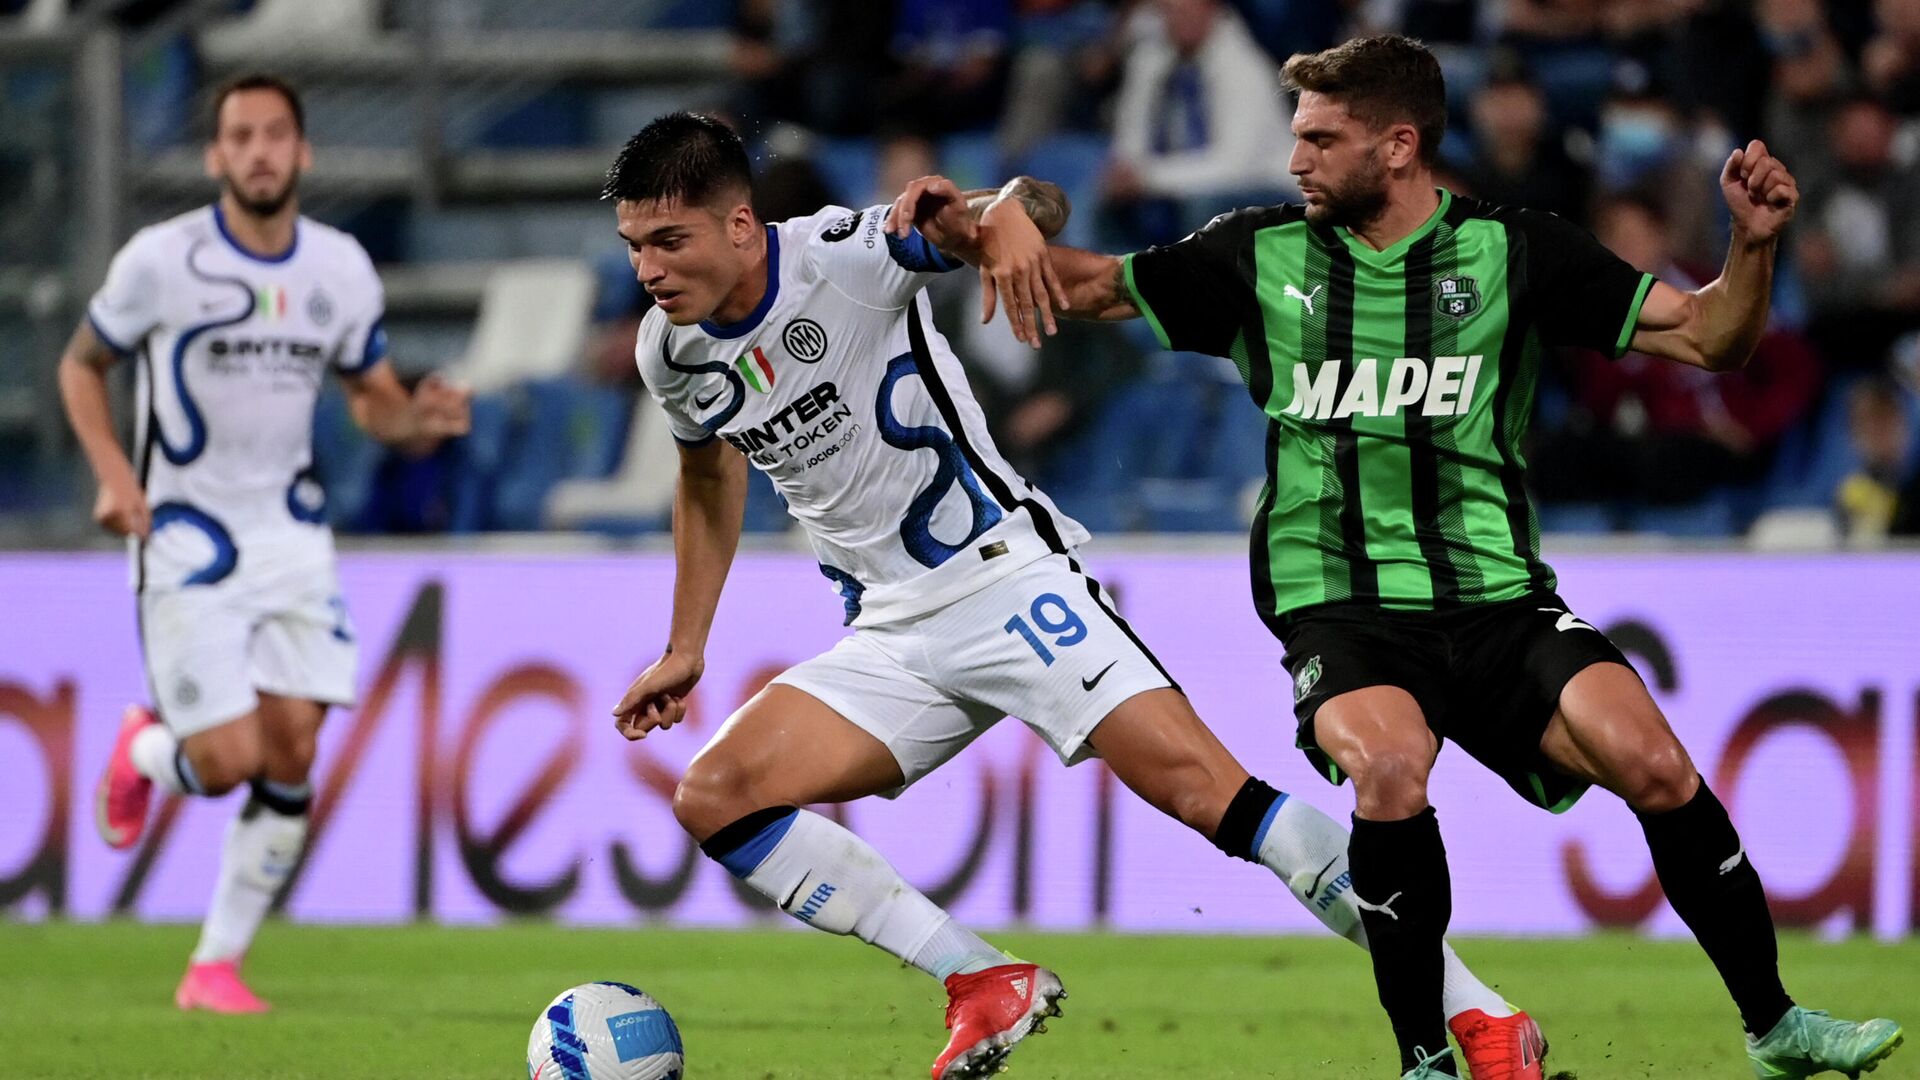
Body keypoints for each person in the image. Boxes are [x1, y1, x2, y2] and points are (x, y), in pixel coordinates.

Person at [963, 32, 1905, 1080]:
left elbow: (1709, 340)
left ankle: (1775, 1025)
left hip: (1497, 599)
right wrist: (978, 220)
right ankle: (1424, 1056)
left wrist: (1753, 246)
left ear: (1398, 145)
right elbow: (1079, 285)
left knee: (1656, 763)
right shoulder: (1257, 257)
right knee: (1391, 767)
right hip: (1342, 606)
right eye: (1298, 137)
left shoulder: (1516, 252)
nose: (1297, 161)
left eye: (1323, 139)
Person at [601, 112, 1542, 1080]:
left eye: (670, 241)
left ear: (743, 227)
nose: (650, 270)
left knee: (1215, 799)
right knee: (716, 796)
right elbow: (707, 474)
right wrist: (687, 643)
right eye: (635, 247)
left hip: (1008, 582)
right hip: (890, 633)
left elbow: (1008, 215)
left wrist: (1010, 210)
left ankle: (1481, 1015)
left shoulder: (840, 255)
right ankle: (979, 981)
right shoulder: (668, 354)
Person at [63, 73, 470, 1012]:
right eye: (239, 136)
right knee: (228, 761)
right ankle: (147, 751)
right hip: (183, 534)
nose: (257, 151)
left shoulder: (339, 268)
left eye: (274, 135)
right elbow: (82, 366)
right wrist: (114, 476)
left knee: (293, 749)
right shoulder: (160, 261)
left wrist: (417, 421)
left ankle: (214, 968)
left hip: (289, 532)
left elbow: (371, 398)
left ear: (302, 152)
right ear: (215, 156)